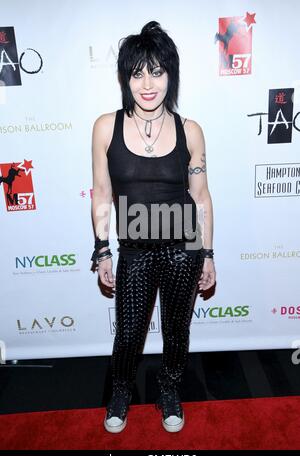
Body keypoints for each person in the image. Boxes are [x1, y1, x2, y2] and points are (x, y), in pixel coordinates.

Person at [91, 20, 216, 434]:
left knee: (177, 331)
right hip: (135, 250)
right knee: (128, 334)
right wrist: (102, 248)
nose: (148, 83)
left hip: (184, 247)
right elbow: (102, 192)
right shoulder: (106, 126)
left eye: (157, 71)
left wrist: (208, 255)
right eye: (138, 73)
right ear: (126, 78)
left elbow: (200, 196)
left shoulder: (190, 130)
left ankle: (169, 390)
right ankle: (122, 391)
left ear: (170, 75)